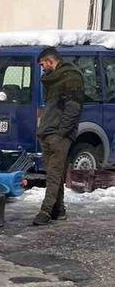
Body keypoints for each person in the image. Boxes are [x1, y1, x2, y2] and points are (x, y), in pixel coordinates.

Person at [33, 47, 83, 226]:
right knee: (55, 173)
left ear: (50, 61)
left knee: (54, 173)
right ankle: (59, 209)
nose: (42, 68)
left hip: (58, 133)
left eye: (42, 64)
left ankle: (46, 211)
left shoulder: (71, 77)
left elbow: (73, 108)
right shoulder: (53, 79)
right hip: (48, 131)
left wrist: (62, 132)